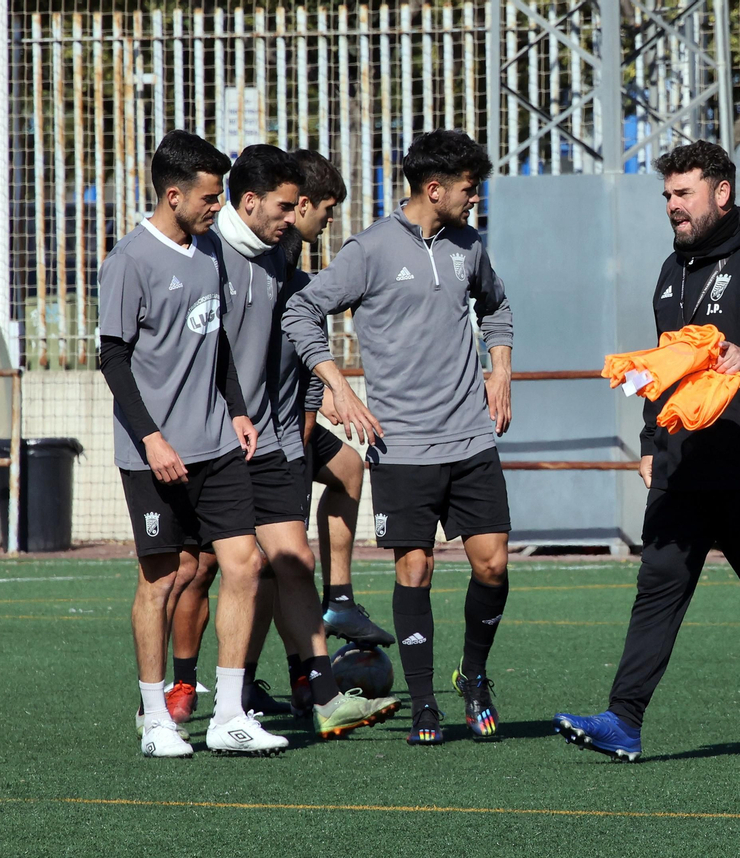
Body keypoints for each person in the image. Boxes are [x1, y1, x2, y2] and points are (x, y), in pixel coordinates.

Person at [552, 141, 740, 762]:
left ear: (721, 193)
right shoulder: (671, 271)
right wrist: (651, 441)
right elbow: (662, 368)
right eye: (667, 195)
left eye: (683, 193)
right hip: (681, 465)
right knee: (657, 592)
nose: (672, 205)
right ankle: (623, 721)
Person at [283, 129, 514, 746]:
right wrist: (337, 386)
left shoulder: (470, 245)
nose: (475, 199)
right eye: (468, 189)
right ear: (434, 189)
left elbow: (496, 307)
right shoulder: (370, 250)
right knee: (416, 567)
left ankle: (473, 676)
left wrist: (500, 369)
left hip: (470, 437)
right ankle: (424, 707)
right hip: (403, 445)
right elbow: (301, 311)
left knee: (493, 564)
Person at [98, 130, 285, 757]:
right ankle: (156, 720)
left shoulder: (209, 251)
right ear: (173, 195)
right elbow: (113, 358)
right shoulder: (129, 261)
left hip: (217, 445)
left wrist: (238, 410)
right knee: (161, 581)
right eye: (209, 197)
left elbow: (218, 339)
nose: (218, 206)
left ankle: (229, 715)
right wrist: (151, 438)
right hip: (154, 454)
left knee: (245, 564)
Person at [209, 144, 399, 739]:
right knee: (199, 573)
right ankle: (181, 694)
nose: (303, 220)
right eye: (308, 208)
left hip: (279, 432)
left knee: (293, 557)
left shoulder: (285, 261)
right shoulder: (213, 255)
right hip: (225, 436)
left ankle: (320, 683)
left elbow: (302, 330)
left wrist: (316, 398)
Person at [286, 148, 394, 655]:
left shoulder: (294, 260)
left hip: (297, 411)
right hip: (270, 424)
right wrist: (318, 400)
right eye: (328, 209)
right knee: (267, 561)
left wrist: (319, 393)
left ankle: (341, 601)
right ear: (302, 203)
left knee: (349, 466)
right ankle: (260, 675)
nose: (331, 221)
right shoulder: (269, 254)